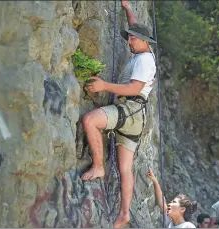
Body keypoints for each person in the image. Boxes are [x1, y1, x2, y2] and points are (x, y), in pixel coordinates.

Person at [80, 0, 157, 227]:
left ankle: (98, 166)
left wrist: (104, 86)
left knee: (90, 120)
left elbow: (134, 88)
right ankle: (124, 214)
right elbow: (135, 28)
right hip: (137, 116)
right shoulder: (145, 52)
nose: (129, 40)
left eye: (133, 38)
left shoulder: (143, 60)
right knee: (125, 168)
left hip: (130, 108)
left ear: (143, 41)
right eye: (130, 37)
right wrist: (128, 8)